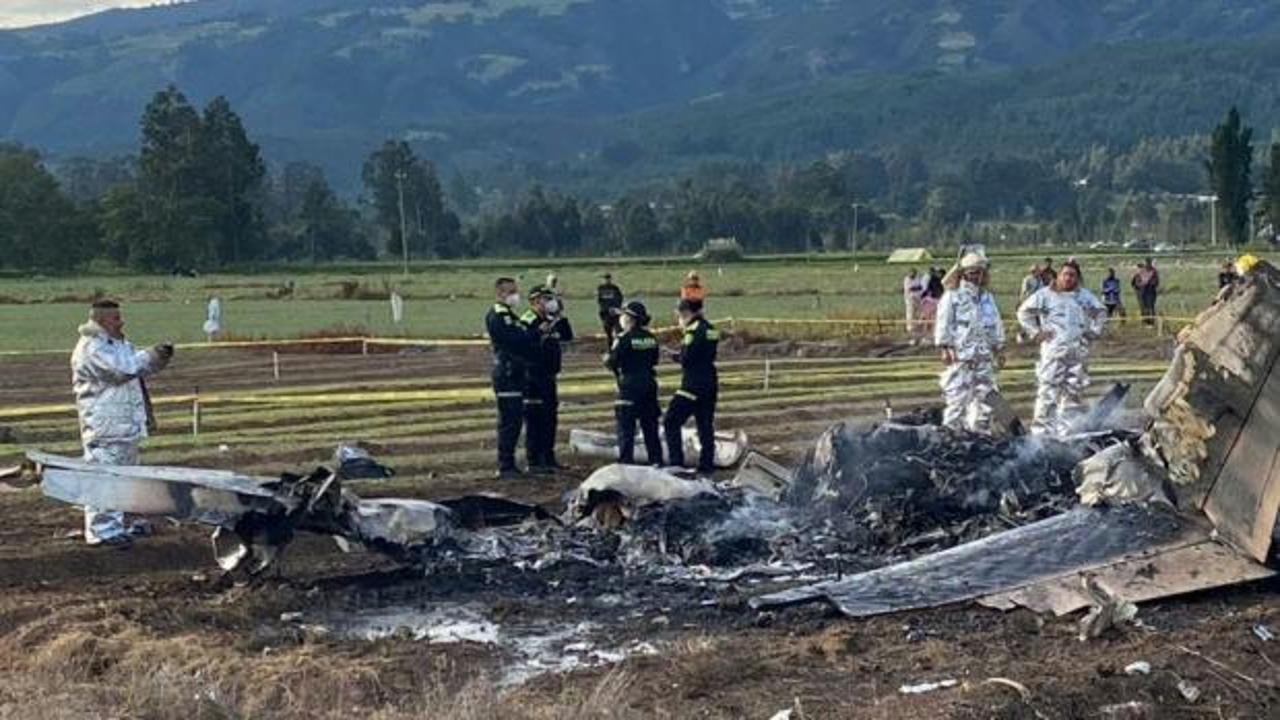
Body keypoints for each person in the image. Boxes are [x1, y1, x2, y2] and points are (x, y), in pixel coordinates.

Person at [72, 299, 174, 546]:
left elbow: (136, 370)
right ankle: (101, 531)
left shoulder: (118, 345)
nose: (121, 322)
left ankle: (114, 526)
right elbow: (122, 370)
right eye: (116, 318)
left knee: (123, 479)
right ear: (102, 320)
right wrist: (151, 355)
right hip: (105, 425)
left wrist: (157, 358)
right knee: (104, 477)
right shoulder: (92, 348)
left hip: (124, 424)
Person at [1018, 261, 1107, 437]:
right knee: (1048, 393)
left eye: (1072, 275)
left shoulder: (1084, 296)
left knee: (1072, 395)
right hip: (1054, 353)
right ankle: (1042, 435)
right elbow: (1024, 312)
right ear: (1058, 276)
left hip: (1077, 354)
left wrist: (1093, 332)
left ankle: (1066, 433)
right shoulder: (1046, 294)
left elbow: (1101, 312)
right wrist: (1035, 332)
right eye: (1065, 274)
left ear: (1077, 278)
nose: (1068, 278)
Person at [934, 253, 1005, 433]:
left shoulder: (987, 298)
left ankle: (980, 435)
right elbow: (944, 323)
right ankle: (951, 436)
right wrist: (945, 347)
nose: (976, 276)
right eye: (972, 272)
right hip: (961, 356)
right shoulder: (953, 296)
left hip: (984, 356)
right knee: (957, 399)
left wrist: (999, 347)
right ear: (964, 273)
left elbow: (995, 323)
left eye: (979, 272)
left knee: (987, 399)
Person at [521, 286, 574, 474]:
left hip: (550, 374)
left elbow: (567, 336)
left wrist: (560, 316)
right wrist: (539, 332)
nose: (550, 301)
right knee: (535, 418)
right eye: (546, 298)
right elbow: (524, 342)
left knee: (550, 417)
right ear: (535, 301)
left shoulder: (551, 319)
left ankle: (548, 458)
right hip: (533, 376)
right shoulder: (528, 320)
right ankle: (534, 461)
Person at [486, 277, 535, 478]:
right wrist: (527, 335)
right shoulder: (499, 315)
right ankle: (505, 465)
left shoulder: (510, 315)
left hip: (514, 371)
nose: (515, 295)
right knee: (509, 421)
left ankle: (510, 464)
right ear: (500, 293)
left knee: (515, 421)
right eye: (511, 291)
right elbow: (515, 339)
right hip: (506, 372)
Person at [663, 299, 719, 474]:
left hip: (693, 383)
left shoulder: (692, 331)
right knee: (705, 424)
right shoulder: (711, 329)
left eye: (679, 316)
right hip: (710, 381)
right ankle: (706, 465)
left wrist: (673, 356)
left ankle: (676, 463)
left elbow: (688, 358)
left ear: (686, 313)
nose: (679, 320)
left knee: (671, 420)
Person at [606, 301, 662, 466]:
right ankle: (656, 462)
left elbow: (613, 362)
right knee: (650, 428)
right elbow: (654, 360)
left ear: (630, 318)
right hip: (649, 385)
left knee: (626, 429)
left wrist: (607, 360)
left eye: (623, 315)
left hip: (629, 387)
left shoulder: (623, 338)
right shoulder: (651, 338)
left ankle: (626, 464)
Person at [596, 272, 624, 347]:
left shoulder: (615, 288)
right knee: (608, 332)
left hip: (615, 312)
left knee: (618, 330)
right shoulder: (601, 288)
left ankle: (618, 346)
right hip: (606, 313)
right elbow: (600, 301)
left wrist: (616, 308)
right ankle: (610, 347)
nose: (606, 280)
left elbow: (619, 299)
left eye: (608, 278)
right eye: (605, 279)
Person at [1131, 258, 1160, 325]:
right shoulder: (1140, 271)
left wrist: (1148, 283)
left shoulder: (1154, 271)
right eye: (1146, 263)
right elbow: (1134, 282)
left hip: (1150, 292)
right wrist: (1139, 285)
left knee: (1150, 307)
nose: (1147, 264)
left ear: (1150, 263)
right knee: (1143, 307)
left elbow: (1156, 282)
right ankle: (1144, 322)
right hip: (1141, 292)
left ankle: (1151, 323)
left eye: (1148, 263)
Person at [902, 268, 925, 344]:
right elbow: (911, 289)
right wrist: (916, 288)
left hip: (918, 301)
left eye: (914, 273)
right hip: (910, 303)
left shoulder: (918, 278)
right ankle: (912, 338)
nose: (912, 275)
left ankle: (921, 337)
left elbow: (921, 288)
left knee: (920, 319)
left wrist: (917, 288)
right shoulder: (907, 280)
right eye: (911, 273)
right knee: (911, 320)